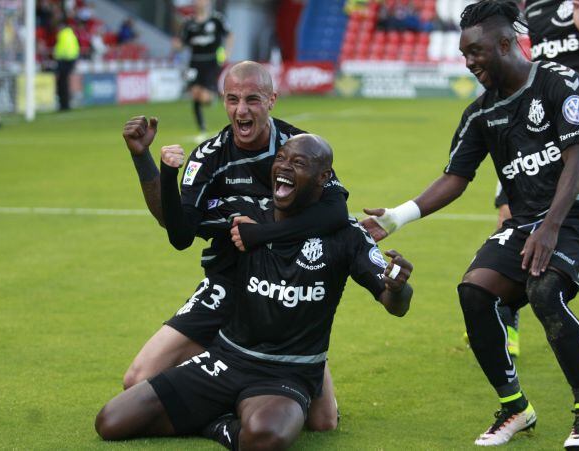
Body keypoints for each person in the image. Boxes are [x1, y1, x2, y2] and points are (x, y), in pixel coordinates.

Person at [361, 1, 579, 447]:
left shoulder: (558, 81)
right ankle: (516, 408)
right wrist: (399, 217)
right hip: (525, 223)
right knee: (474, 291)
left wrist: (551, 226)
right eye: (464, 54)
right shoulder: (481, 112)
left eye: (476, 52)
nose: (469, 61)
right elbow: (456, 178)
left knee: (543, 290)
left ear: (505, 43)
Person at [96, 134, 415, 450]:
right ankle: (226, 415)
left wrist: (397, 287)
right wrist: (164, 171)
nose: (285, 167)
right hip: (227, 360)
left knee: (266, 437)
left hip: (287, 374)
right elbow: (180, 228)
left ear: (323, 178)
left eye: (298, 163)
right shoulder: (246, 216)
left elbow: (395, 304)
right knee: (111, 421)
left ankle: (220, 425)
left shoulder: (348, 236)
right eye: (281, 159)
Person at [121, 61, 347, 431]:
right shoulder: (208, 158)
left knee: (324, 422)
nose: (241, 110)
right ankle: (226, 397)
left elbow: (336, 210)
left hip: (285, 293)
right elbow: (179, 230)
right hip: (226, 284)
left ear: (272, 100)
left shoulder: (299, 150)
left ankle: (249, 380)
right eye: (232, 100)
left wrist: (263, 235)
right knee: (136, 380)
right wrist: (146, 161)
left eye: (252, 100)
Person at [486, 0, 579, 358]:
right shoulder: (531, 10)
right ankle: (508, 324)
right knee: (510, 215)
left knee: (562, 210)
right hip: (531, 118)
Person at [174, 0, 233, 141]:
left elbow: (230, 35)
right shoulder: (188, 23)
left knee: (205, 97)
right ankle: (202, 128)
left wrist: (227, 53)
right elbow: (182, 44)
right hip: (195, 62)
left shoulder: (217, 19)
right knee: (195, 94)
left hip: (211, 62)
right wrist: (177, 46)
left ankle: (212, 98)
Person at [53, 18, 80, 111]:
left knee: (62, 83)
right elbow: (75, 48)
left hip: (64, 61)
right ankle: (66, 104)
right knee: (65, 83)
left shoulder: (62, 34)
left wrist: (56, 56)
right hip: (71, 61)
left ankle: (64, 104)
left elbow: (60, 49)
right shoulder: (72, 34)